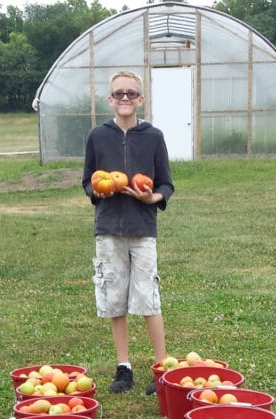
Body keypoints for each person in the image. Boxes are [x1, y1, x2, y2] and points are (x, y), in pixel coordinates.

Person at [82, 71, 174, 395]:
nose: (125, 98)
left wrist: (152, 197)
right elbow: (87, 181)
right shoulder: (97, 136)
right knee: (115, 297)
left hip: (142, 228)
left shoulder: (153, 136)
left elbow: (166, 183)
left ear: (141, 100)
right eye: (119, 93)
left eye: (131, 94)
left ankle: (161, 368)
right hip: (108, 228)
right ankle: (125, 367)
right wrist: (99, 193)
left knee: (148, 296)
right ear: (109, 99)